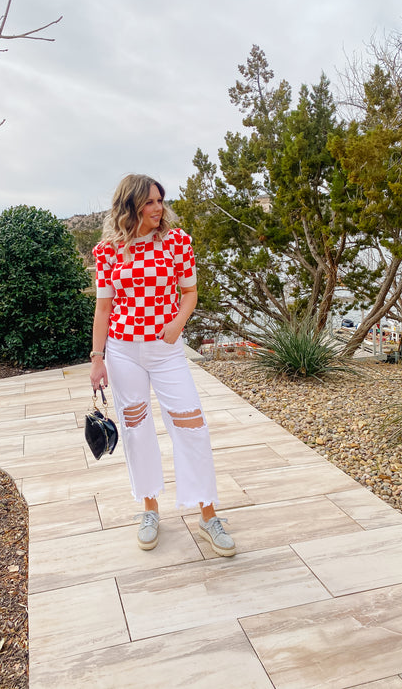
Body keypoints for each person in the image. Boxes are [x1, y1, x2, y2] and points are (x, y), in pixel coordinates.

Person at [89, 173, 235, 557]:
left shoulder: (175, 242)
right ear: (131, 205)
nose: (159, 208)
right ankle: (149, 509)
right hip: (122, 352)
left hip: (166, 351)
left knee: (192, 426)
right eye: (151, 202)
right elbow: (104, 308)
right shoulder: (107, 252)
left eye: (160, 201)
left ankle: (208, 515)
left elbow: (190, 293)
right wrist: (97, 358)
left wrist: (176, 324)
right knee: (136, 431)